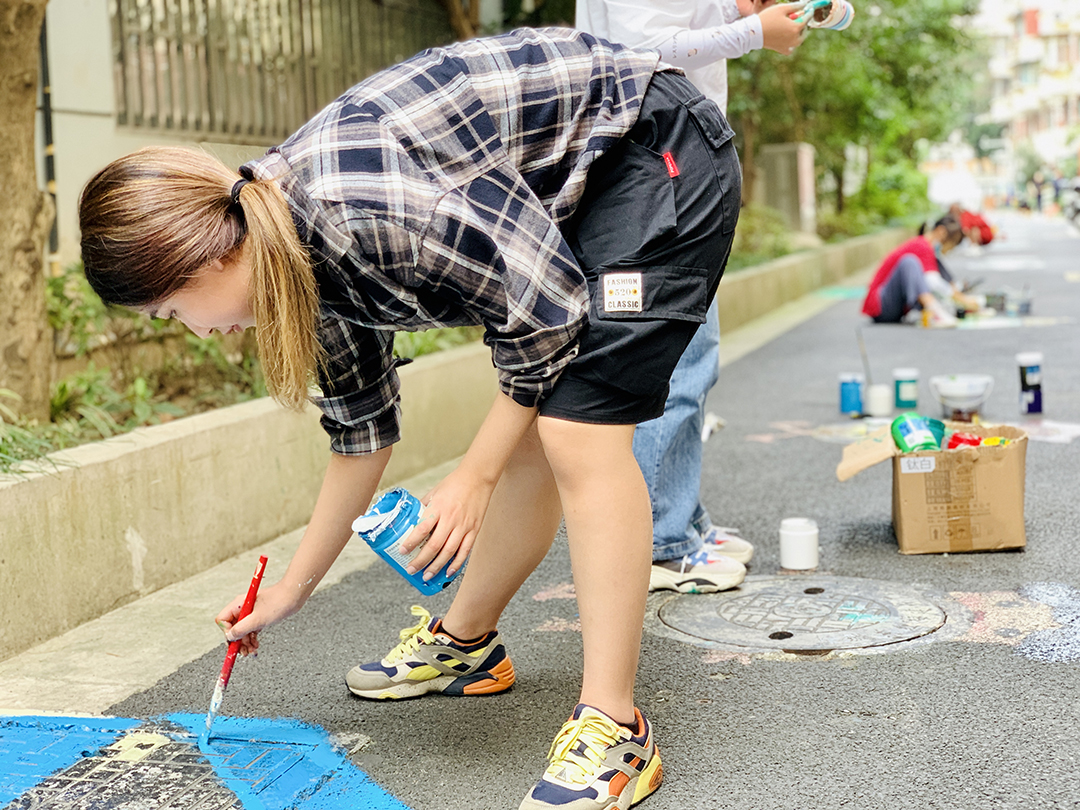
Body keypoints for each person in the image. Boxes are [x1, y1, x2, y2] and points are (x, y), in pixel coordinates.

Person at [78, 29, 742, 810]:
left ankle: (615, 725)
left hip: (653, 146)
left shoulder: (359, 209)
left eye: (170, 310)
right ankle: (468, 647)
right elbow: (363, 437)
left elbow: (547, 319)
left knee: (576, 427)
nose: (192, 330)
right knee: (542, 414)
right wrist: (292, 589)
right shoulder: (289, 266)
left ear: (207, 258)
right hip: (577, 187)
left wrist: (474, 477)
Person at [576, 0, 854, 594]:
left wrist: (759, 16)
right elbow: (641, 50)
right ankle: (661, 543)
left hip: (674, 163)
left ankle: (683, 522)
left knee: (693, 358)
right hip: (653, 166)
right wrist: (755, 30)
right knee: (672, 362)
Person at [861, 217, 978, 326]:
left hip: (894, 308)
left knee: (933, 264)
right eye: (950, 244)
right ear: (941, 232)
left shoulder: (926, 248)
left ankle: (940, 307)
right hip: (881, 306)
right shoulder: (921, 246)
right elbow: (933, 282)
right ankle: (935, 310)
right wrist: (960, 300)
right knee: (909, 262)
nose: (949, 249)